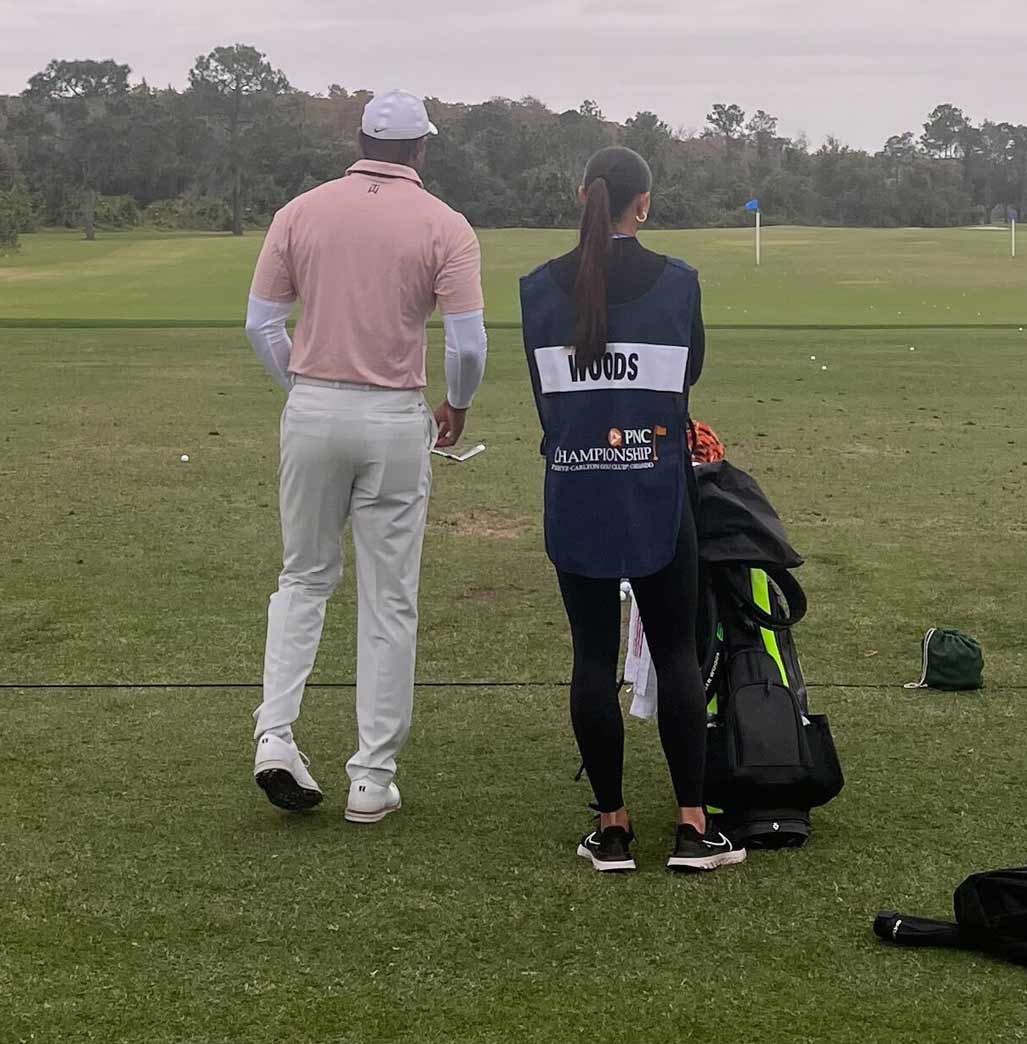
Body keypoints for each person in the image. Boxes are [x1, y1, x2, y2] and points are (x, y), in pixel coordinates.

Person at [244, 90, 487, 823]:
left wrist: (309, 385)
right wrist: (458, 406)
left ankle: (276, 736)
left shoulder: (301, 210)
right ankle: (371, 779)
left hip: (313, 409)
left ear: (359, 140)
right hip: (393, 418)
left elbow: (262, 325)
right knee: (389, 599)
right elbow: (468, 345)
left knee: (304, 577)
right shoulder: (445, 224)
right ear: (421, 150)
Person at [518, 146, 742, 874]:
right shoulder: (678, 282)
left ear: (583, 195)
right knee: (678, 652)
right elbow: (690, 371)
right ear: (641, 205)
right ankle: (691, 825)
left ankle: (612, 829)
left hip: (576, 488)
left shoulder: (536, 289)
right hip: (657, 489)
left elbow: (544, 397)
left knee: (591, 657)